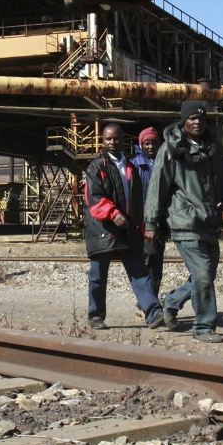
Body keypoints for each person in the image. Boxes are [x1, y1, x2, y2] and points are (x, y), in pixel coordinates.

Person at [145, 101, 223, 343]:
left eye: (201, 118)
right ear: (183, 122)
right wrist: (150, 221)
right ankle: (203, 327)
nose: (197, 122)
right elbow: (157, 186)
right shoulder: (170, 149)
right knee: (202, 274)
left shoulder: (212, 149)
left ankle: (171, 301)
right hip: (184, 222)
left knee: (205, 276)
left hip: (209, 221)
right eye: (192, 118)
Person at [84, 123, 165, 330]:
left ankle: (153, 313)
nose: (112, 142)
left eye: (116, 138)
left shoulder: (130, 167)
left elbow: (137, 201)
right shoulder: (96, 167)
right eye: (108, 139)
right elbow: (94, 198)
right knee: (98, 275)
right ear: (103, 141)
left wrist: (142, 224)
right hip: (103, 229)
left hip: (128, 229)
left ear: (122, 140)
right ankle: (96, 316)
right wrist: (113, 213)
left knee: (140, 272)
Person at [130, 126, 164, 296]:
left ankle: (153, 301)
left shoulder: (164, 162)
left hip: (160, 222)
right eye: (147, 143)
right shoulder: (135, 165)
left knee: (157, 263)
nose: (150, 146)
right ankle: (146, 303)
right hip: (142, 223)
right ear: (141, 145)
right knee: (148, 260)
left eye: (154, 143)